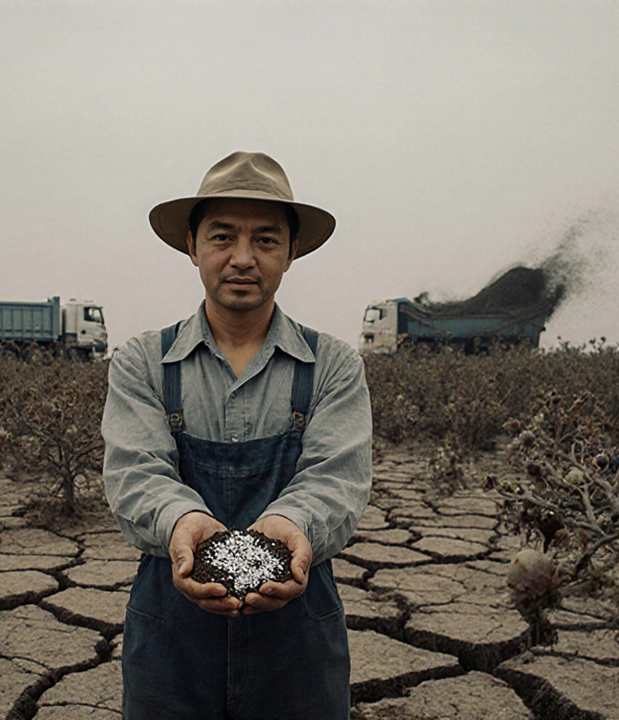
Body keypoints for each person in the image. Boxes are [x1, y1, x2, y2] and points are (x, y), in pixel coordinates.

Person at [102, 151, 373, 720]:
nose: (243, 258)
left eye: (267, 241)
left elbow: (336, 479)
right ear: (192, 246)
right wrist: (184, 525)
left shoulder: (333, 366)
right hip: (170, 640)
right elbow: (136, 472)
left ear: (291, 252)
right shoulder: (143, 363)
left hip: (297, 642)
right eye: (222, 237)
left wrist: (288, 529)